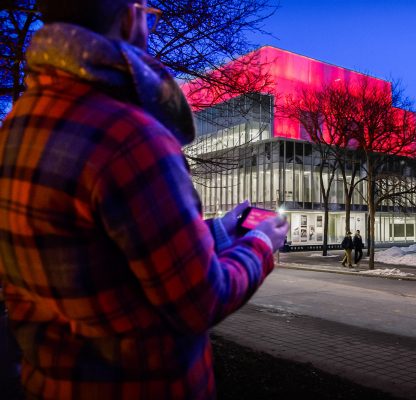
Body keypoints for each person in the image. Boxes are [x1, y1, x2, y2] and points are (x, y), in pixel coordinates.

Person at [0, 1, 288, 399]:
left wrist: (220, 232)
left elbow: (112, 252)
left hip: (48, 381)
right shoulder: (131, 138)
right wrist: (261, 245)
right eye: (149, 13)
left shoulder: (19, 123)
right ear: (130, 16)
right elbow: (200, 300)